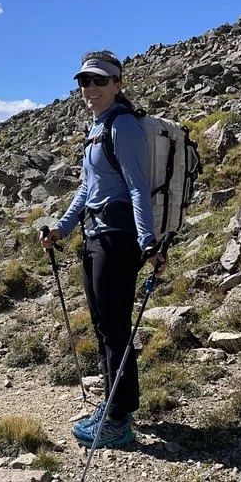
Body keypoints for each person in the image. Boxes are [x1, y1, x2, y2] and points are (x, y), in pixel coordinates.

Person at [39, 50, 165, 449]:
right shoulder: (97, 128)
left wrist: (148, 241)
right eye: (84, 82)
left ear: (117, 83)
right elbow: (86, 190)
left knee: (114, 329)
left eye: (99, 81)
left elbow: (136, 186)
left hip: (117, 238)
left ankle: (117, 419)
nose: (90, 88)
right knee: (103, 326)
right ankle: (111, 405)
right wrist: (62, 228)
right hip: (95, 237)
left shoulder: (122, 125)